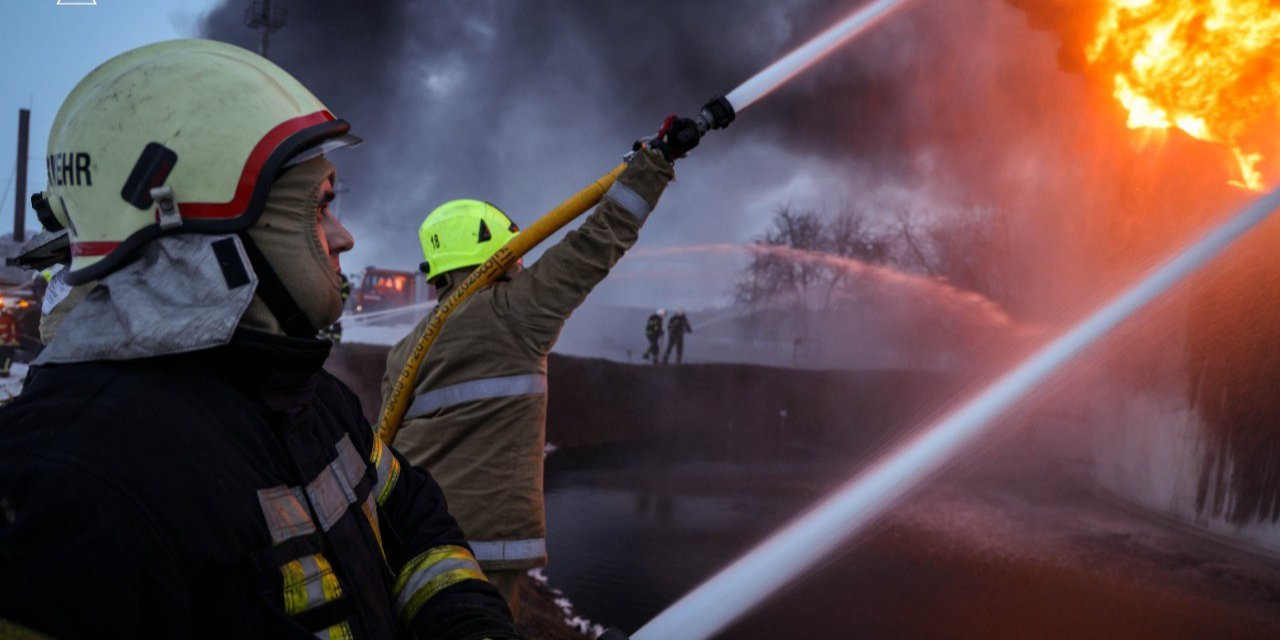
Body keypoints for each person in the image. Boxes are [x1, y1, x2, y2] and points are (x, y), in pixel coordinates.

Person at [0, 40, 519, 639]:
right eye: (318, 209)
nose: (344, 237)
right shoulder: (64, 488)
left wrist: (467, 624)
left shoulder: (309, 397)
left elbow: (411, 517)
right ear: (205, 234)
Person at [381, 122, 700, 615]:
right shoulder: (513, 312)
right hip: (481, 545)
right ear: (497, 252)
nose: (524, 263)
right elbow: (593, 246)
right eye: (516, 252)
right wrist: (653, 167)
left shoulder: (406, 348)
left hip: (413, 533)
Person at [0, 306, 16, 377]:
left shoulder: (10, 319)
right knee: (6, 357)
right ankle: (4, 372)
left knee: (6, 358)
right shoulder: (10, 319)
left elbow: (13, 331)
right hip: (5, 343)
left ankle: (4, 371)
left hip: (7, 343)